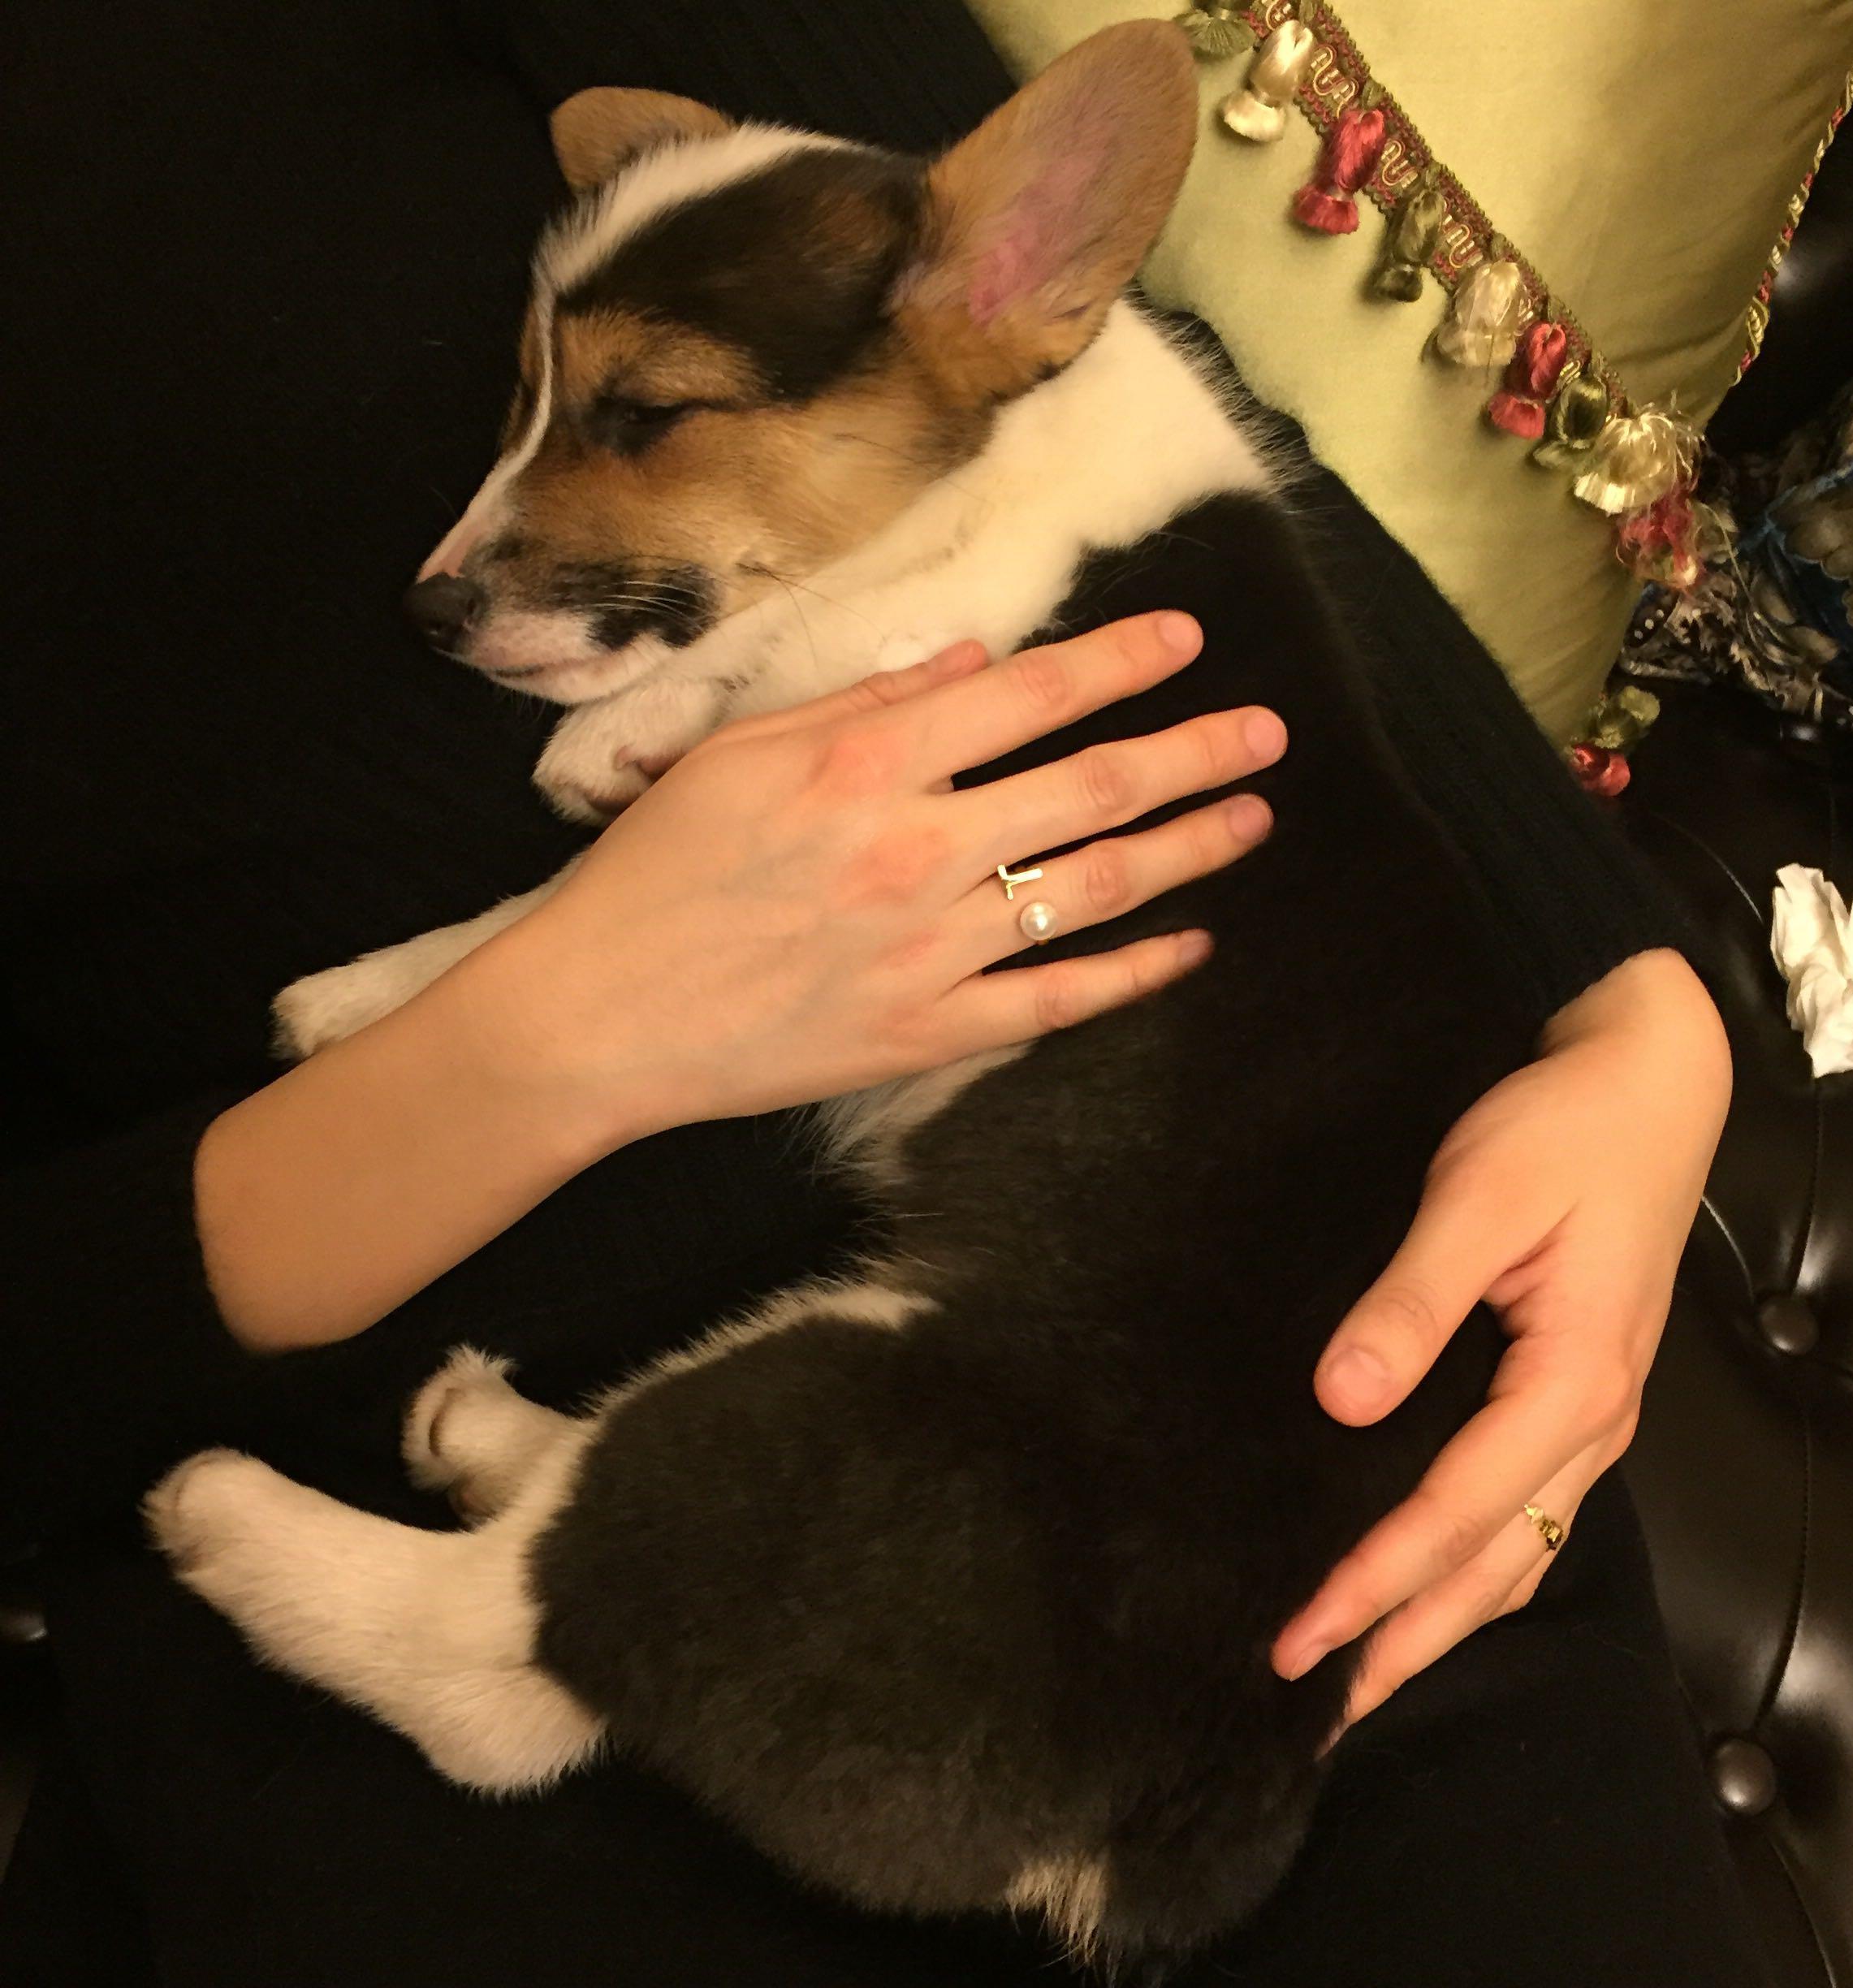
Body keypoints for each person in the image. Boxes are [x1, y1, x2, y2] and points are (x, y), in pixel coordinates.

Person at [0, 3, 1755, 1983]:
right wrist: (528, 1051)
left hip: (1315, 1322)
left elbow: (1133, 421)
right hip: (493, 1476)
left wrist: (1639, 1012)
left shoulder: (831, 225)